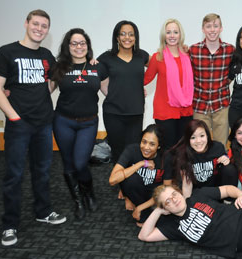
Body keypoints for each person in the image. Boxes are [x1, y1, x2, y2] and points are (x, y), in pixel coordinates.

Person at [0, 9, 66, 246]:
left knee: (42, 172)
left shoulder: (46, 55)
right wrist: (14, 117)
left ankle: (43, 212)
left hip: (43, 123)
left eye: (44, 26)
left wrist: (45, 95)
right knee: (14, 175)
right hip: (18, 125)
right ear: (26, 23)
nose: (39, 29)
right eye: (36, 24)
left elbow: (52, 81)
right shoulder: (7, 52)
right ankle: (9, 224)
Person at [50, 28, 109, 220]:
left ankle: (89, 193)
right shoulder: (59, 67)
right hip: (63, 122)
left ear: (88, 46)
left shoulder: (97, 67)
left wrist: (135, 93)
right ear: (68, 46)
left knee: (80, 163)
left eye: (82, 43)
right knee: (68, 164)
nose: (78, 47)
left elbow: (110, 92)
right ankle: (78, 201)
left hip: (88, 123)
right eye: (74, 43)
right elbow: (43, 92)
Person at [98, 21, 150, 163]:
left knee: (133, 151)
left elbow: (162, 65)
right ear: (117, 37)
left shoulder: (142, 56)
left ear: (136, 37)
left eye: (131, 34)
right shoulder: (106, 57)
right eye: (123, 34)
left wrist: (181, 50)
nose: (127, 37)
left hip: (136, 113)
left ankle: (131, 183)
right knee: (118, 152)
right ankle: (120, 183)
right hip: (113, 113)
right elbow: (95, 76)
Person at [144, 18, 194, 150]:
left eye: (175, 32)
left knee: (184, 147)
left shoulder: (188, 55)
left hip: (185, 109)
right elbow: (145, 79)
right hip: (165, 110)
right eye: (168, 32)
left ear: (180, 34)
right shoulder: (157, 57)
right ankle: (167, 172)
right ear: (163, 35)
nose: (172, 35)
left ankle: (182, 171)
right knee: (168, 148)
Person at [109, 124, 172, 225]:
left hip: (155, 195)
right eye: (144, 142)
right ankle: (130, 198)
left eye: (152, 144)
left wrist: (140, 208)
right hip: (137, 190)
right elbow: (112, 180)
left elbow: (166, 189)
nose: (146, 147)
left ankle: (142, 208)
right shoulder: (131, 150)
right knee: (129, 177)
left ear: (159, 146)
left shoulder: (166, 157)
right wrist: (141, 164)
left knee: (166, 216)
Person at [189, 13, 235, 148]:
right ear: (203, 29)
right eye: (208, 26)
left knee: (221, 147)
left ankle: (220, 169)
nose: (212, 30)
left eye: (216, 26)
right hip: (199, 105)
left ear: (221, 28)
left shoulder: (230, 50)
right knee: (199, 146)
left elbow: (233, 72)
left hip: (221, 105)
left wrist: (224, 84)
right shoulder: (193, 50)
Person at [165, 119, 238, 197]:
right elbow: (186, 185)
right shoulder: (184, 154)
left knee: (229, 168)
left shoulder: (217, 147)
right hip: (197, 194)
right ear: (188, 139)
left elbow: (228, 171)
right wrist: (188, 204)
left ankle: (228, 202)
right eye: (193, 137)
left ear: (207, 135)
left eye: (202, 136)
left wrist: (226, 159)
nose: (198, 141)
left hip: (218, 191)